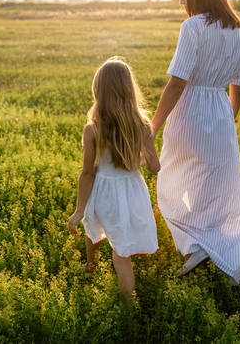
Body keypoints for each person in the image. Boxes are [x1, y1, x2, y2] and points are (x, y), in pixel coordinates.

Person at [150, 0, 240, 285]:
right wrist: (227, 124)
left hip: (189, 110)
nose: (181, 1)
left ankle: (195, 244)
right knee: (213, 186)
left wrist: (151, 128)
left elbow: (177, 83)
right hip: (221, 115)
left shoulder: (192, 28)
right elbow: (239, 89)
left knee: (170, 180)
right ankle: (209, 244)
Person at [68, 56, 160, 308]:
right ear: (129, 90)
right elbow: (154, 168)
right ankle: (128, 306)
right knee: (122, 254)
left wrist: (78, 210)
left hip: (104, 192)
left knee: (91, 225)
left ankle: (92, 267)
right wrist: (145, 153)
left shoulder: (93, 130)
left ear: (99, 92)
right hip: (132, 193)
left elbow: (88, 173)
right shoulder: (142, 125)